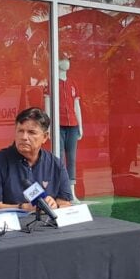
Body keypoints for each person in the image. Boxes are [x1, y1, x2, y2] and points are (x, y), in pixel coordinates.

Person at [0, 107, 73, 212]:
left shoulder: (56, 164)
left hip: (47, 225)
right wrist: (22, 207)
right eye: (20, 131)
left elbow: (65, 203)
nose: (24, 137)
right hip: (11, 226)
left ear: (45, 137)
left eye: (31, 132)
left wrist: (54, 205)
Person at [44, 53, 83, 203]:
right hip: (58, 124)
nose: (66, 63)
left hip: (72, 124)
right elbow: (47, 104)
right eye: (63, 59)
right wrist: (48, 125)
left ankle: (71, 192)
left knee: (71, 158)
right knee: (58, 157)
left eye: (68, 60)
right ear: (57, 61)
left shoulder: (73, 83)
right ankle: (60, 191)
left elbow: (76, 105)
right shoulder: (52, 82)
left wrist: (80, 125)